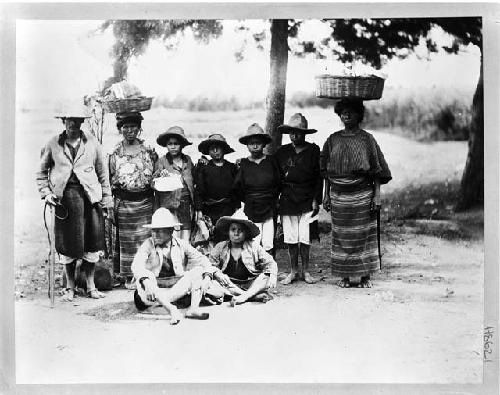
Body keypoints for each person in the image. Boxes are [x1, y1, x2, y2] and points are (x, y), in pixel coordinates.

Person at [36, 106, 112, 301]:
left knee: (91, 243)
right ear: (63, 121)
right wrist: (46, 193)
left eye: (77, 120)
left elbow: (103, 174)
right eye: (69, 120)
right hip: (65, 201)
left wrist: (106, 200)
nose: (73, 124)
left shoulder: (92, 143)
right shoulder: (53, 143)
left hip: (89, 199)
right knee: (67, 244)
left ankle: (90, 286)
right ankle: (70, 287)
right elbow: (41, 172)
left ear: (82, 122)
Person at [320, 98, 392, 288]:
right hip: (338, 197)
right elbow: (326, 172)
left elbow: (376, 170)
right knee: (342, 236)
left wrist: (377, 195)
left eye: (351, 111)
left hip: (362, 194)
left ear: (359, 115)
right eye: (343, 111)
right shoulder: (332, 139)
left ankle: (364, 276)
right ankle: (344, 276)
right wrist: (326, 195)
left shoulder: (367, 139)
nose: (346, 115)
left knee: (363, 236)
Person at [131, 208, 217, 324]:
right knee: (146, 276)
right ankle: (172, 309)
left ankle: (193, 309)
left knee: (198, 270)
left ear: (170, 231)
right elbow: (136, 265)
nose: (155, 234)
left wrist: (207, 276)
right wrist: (146, 283)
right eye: (153, 231)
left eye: (159, 231)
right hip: (152, 293)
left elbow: (203, 260)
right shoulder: (148, 244)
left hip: (174, 290)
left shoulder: (180, 244)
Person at [108, 112, 157, 287]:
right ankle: (128, 276)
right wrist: (111, 206)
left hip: (145, 203)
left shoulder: (149, 150)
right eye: (126, 127)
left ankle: (143, 275)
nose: (130, 130)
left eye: (133, 126)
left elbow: (157, 174)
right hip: (124, 204)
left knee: (144, 240)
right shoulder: (115, 152)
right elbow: (110, 178)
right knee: (127, 242)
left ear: (139, 128)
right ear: (120, 129)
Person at [275, 113, 323, 285]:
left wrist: (316, 199)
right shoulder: (282, 152)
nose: (295, 135)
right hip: (288, 199)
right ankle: (293, 270)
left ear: (305, 133)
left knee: (305, 237)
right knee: (291, 238)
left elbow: (319, 177)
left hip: (307, 198)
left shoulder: (313, 151)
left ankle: (306, 271)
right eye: (292, 132)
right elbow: (276, 176)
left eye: (299, 132)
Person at [208, 212, 277, 306]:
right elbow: (210, 264)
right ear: (228, 231)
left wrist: (272, 276)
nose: (236, 233)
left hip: (251, 284)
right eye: (233, 229)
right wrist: (218, 273)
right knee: (211, 282)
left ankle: (243, 296)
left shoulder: (254, 246)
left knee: (265, 277)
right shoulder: (220, 247)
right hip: (229, 284)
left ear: (246, 233)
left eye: (240, 230)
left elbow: (270, 263)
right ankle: (250, 297)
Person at [233, 123, 281, 256]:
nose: (255, 146)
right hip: (251, 206)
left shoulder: (271, 161)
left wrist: (272, 199)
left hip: (269, 205)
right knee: (253, 240)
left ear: (264, 144)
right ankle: (254, 270)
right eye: (251, 143)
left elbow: (278, 182)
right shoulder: (243, 164)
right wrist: (249, 199)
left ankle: (269, 270)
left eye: (258, 143)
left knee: (268, 240)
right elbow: (238, 187)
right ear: (247, 145)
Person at [194, 133, 240, 243]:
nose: (215, 151)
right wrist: (199, 210)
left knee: (227, 238)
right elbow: (199, 190)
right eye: (212, 149)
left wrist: (237, 208)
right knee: (211, 238)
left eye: (218, 148)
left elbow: (236, 190)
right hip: (210, 209)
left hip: (227, 209)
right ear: (208, 152)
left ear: (224, 150)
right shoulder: (204, 169)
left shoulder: (231, 168)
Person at [153, 126, 195, 242]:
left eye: (176, 143)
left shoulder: (188, 160)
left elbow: (195, 179)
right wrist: (161, 175)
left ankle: (184, 258)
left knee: (186, 237)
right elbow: (153, 182)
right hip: (169, 205)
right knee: (173, 236)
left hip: (185, 204)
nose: (173, 146)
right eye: (170, 143)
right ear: (166, 145)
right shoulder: (162, 161)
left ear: (182, 145)